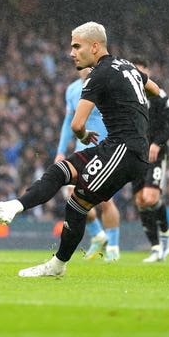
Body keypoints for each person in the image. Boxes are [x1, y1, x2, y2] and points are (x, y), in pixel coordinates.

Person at [0, 21, 159, 277]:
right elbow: (155, 90)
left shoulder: (98, 74)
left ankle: (58, 265)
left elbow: (77, 124)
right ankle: (12, 207)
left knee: (77, 205)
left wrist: (83, 134)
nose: (71, 53)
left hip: (124, 151)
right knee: (59, 171)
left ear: (94, 46)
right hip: (118, 146)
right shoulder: (127, 66)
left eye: (76, 46)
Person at [55, 68, 121, 262]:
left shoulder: (107, 87)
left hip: (106, 150)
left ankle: (114, 248)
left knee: (105, 200)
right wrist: (60, 151)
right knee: (72, 197)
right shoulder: (72, 90)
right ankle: (99, 235)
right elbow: (69, 121)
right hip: (81, 152)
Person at [131, 58, 169, 262]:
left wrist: (157, 143)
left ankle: (166, 232)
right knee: (141, 201)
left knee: (150, 197)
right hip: (134, 153)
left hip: (156, 153)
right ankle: (155, 247)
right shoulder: (127, 98)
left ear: (147, 73)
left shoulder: (158, 95)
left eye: (141, 72)